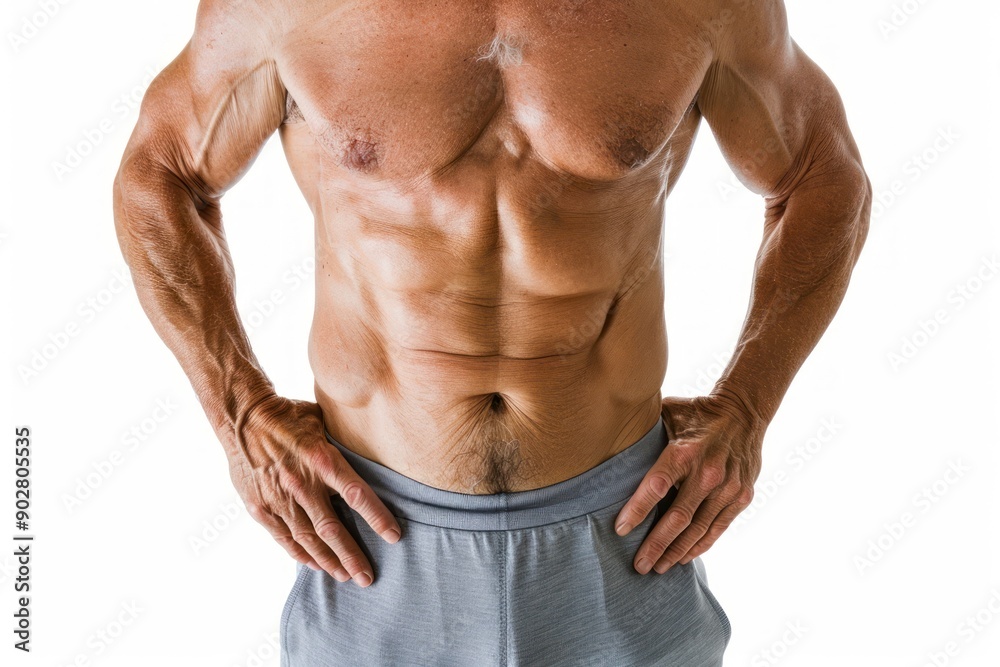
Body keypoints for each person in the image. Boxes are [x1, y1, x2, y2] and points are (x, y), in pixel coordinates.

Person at [113, 0, 871, 664]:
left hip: (627, 535)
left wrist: (747, 407)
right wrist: (240, 412)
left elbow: (822, 173)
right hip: (369, 543)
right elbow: (160, 173)